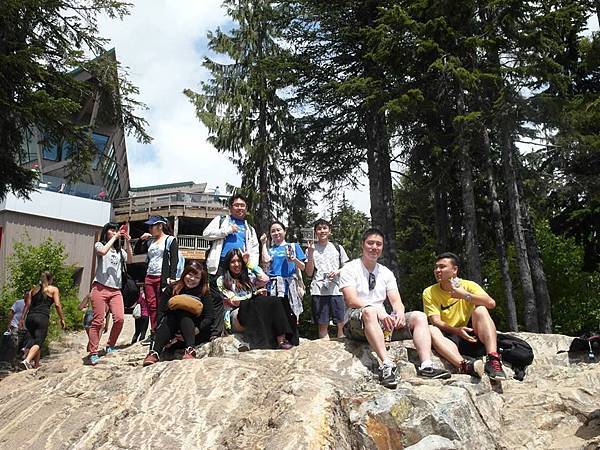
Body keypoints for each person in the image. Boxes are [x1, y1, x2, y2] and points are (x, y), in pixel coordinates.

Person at [339, 228, 450, 389]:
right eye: (370, 243)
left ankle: (426, 365)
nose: (374, 247)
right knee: (369, 312)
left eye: (378, 244)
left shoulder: (386, 273)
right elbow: (351, 300)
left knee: (419, 316)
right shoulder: (350, 268)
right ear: (362, 245)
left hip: (383, 323)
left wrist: (398, 313)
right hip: (357, 322)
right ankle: (386, 365)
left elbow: (397, 301)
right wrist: (379, 312)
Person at [423, 252, 507, 380]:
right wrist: (456, 330)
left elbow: (491, 303)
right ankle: (464, 366)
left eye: (442, 267)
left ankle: (493, 359)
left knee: (481, 310)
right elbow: (436, 321)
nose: (437, 270)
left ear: (455, 269)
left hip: (470, 334)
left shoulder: (468, 285)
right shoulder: (429, 292)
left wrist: (464, 295)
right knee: (430, 328)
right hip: (448, 334)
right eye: (436, 267)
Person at [202, 194, 259, 338]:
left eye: (243, 205)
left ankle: (236, 329)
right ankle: (216, 333)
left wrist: (252, 267)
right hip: (220, 264)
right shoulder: (221, 220)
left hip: (240, 266)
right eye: (237, 205)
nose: (240, 208)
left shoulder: (249, 228)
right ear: (230, 207)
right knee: (217, 299)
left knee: (238, 297)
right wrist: (226, 231)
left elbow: (254, 250)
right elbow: (206, 234)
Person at [217, 249, 293, 350]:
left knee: (275, 301)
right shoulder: (222, 280)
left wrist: (249, 264)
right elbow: (234, 301)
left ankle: (281, 341)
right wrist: (253, 295)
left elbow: (265, 279)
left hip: (253, 310)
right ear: (228, 264)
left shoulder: (248, 278)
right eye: (232, 262)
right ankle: (253, 342)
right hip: (236, 315)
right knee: (253, 304)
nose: (236, 264)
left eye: (239, 261)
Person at [143, 261, 215, 366]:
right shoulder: (172, 288)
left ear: (201, 279)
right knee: (173, 313)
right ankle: (154, 352)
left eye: (196, 277)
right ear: (184, 273)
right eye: (190, 274)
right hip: (172, 331)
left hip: (193, 331)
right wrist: (171, 336)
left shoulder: (204, 292)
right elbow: (161, 312)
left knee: (184, 312)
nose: (192, 279)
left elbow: (209, 317)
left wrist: (196, 330)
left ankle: (190, 349)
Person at [86, 222, 133, 366]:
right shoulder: (100, 244)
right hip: (100, 287)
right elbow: (102, 252)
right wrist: (115, 237)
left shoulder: (119, 252)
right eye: (111, 230)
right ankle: (93, 352)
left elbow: (130, 260)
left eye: (115, 230)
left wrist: (128, 243)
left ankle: (110, 345)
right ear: (106, 232)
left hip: (115, 290)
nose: (114, 232)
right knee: (98, 321)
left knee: (119, 319)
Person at [260, 221, 306, 346]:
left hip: (289, 284)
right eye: (273, 231)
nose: (276, 233)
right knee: (277, 313)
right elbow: (265, 262)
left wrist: (294, 259)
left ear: (284, 231)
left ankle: (292, 338)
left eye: (278, 230)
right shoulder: (271, 250)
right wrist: (263, 244)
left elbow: (302, 267)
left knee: (291, 311)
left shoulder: (293, 246)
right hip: (274, 285)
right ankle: (280, 340)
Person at [135, 215, 180, 340]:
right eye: (149, 226)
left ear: (160, 226)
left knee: (162, 304)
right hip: (149, 276)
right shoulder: (150, 241)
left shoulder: (170, 240)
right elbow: (137, 250)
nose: (150, 228)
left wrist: (172, 276)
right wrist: (141, 240)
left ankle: (162, 330)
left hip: (162, 276)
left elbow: (174, 259)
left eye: (152, 226)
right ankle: (154, 330)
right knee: (151, 305)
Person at [305, 218, 349, 339]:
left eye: (324, 228)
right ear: (315, 232)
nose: (322, 231)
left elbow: (347, 267)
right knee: (322, 324)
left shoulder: (337, 247)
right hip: (318, 290)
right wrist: (309, 253)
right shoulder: (310, 249)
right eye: (319, 229)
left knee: (341, 323)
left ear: (330, 231)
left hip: (336, 289)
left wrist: (337, 272)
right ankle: (324, 350)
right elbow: (309, 273)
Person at [19, 271, 66, 370]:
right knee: (39, 341)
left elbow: (27, 305)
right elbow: (57, 305)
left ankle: (36, 364)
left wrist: (22, 318)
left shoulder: (33, 290)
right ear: (51, 279)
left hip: (30, 317)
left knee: (35, 340)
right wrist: (62, 318)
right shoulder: (53, 289)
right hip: (42, 318)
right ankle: (27, 361)